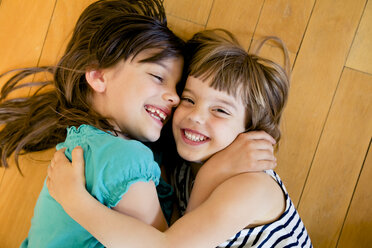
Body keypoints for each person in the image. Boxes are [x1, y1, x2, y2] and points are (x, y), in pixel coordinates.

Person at [0, 1, 275, 247]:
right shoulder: (125, 159)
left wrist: (75, 202)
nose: (174, 97)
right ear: (98, 76)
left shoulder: (90, 144)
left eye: (177, 87)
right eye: (158, 77)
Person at [47, 29, 313, 247]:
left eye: (220, 110)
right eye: (188, 99)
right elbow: (171, 236)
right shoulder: (184, 172)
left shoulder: (253, 187)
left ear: (250, 129)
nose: (195, 116)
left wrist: (74, 201)